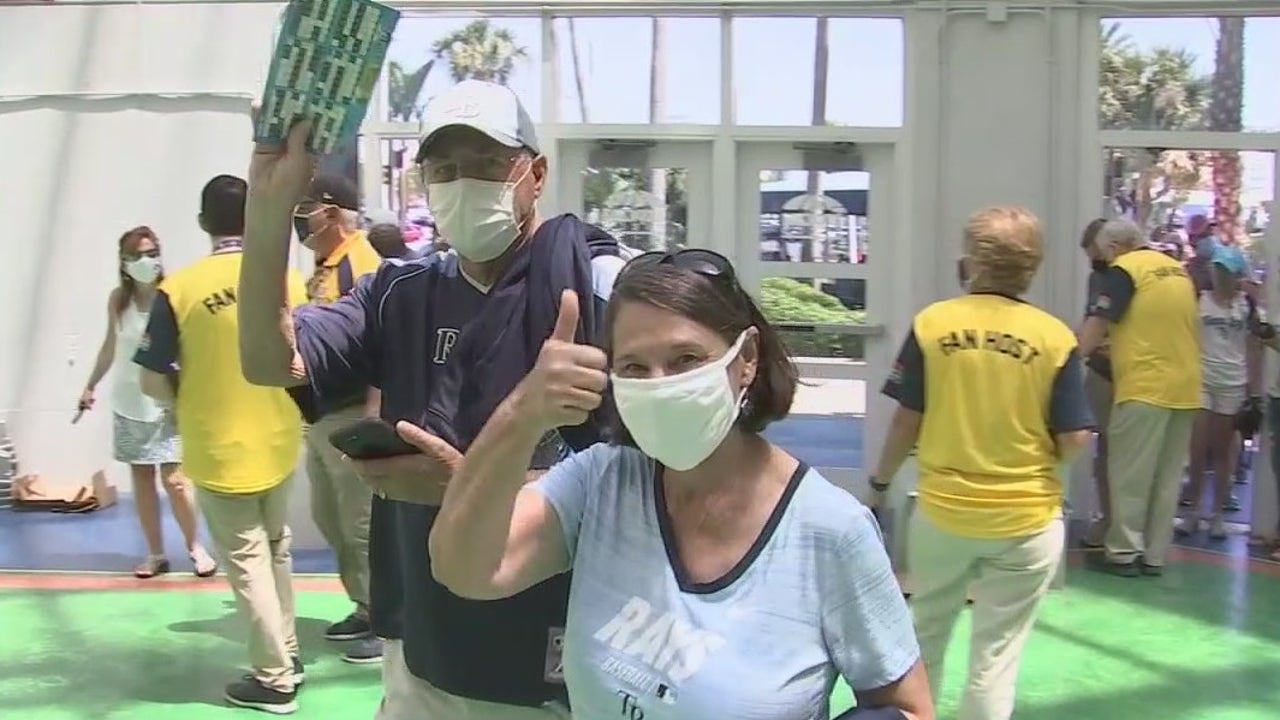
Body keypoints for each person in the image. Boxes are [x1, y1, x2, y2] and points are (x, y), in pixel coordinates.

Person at [238, 80, 628, 720]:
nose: (463, 183)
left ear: (535, 173)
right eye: (443, 169)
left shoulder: (602, 289)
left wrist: (465, 486)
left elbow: (657, 483)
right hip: (422, 639)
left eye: (486, 165)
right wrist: (269, 208)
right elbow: (268, 360)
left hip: (554, 650)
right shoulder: (399, 292)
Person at [422, 248, 933, 720]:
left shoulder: (831, 530)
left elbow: (906, 708)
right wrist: (522, 414)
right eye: (634, 367)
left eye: (687, 360)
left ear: (746, 358)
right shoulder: (603, 481)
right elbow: (466, 568)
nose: (661, 383)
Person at [869, 207, 1092, 720]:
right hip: (1027, 520)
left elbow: (907, 420)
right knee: (996, 654)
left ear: (970, 260)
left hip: (944, 514)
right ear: (1032, 265)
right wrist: (1049, 475)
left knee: (924, 633)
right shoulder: (1055, 337)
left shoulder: (933, 324)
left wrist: (880, 482)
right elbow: (1076, 435)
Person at [135, 174, 309, 714]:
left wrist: (181, 403)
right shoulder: (289, 279)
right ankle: (291, 652)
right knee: (277, 548)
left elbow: (152, 378)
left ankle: (274, 678)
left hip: (216, 447)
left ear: (204, 223)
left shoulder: (179, 290)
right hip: (280, 436)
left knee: (248, 560)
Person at [79, 225, 215, 579]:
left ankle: (195, 547)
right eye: (137, 254)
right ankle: (155, 553)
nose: (146, 260)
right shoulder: (117, 300)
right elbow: (111, 346)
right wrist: (90, 384)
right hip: (128, 402)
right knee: (141, 477)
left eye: (152, 252)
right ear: (124, 263)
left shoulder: (171, 296)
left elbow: (187, 348)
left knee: (176, 480)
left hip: (165, 399)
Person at [293, 173, 385, 664]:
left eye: (307, 206)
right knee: (329, 517)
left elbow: (381, 341)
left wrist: (374, 413)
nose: (299, 216)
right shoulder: (324, 265)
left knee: (361, 523)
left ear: (330, 211)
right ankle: (364, 603)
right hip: (321, 413)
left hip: (350, 412)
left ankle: (387, 619)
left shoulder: (360, 262)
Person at [1078, 218, 1200, 577]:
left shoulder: (1124, 271)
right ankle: (1155, 555)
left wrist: (1065, 362)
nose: (1101, 262)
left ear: (1115, 248)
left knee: (1129, 474)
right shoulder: (1177, 270)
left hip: (1145, 386)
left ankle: (1122, 553)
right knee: (1167, 478)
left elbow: (1097, 325)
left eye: (1101, 255)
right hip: (1186, 387)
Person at [1178, 245, 1259, 540]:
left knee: (1224, 452)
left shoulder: (1246, 305)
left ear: (1237, 274)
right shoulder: (1199, 301)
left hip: (1233, 382)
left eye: (1227, 270)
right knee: (1197, 450)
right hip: (1202, 379)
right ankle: (1192, 511)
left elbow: (1253, 346)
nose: (1221, 275)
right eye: (1218, 268)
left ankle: (1218, 515)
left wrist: (1254, 387)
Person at [1078, 218, 1113, 548]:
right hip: (1102, 369)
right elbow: (1092, 320)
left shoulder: (1131, 276)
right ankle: (1107, 518)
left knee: (1124, 454)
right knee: (1103, 452)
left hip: (1132, 374)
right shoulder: (1097, 279)